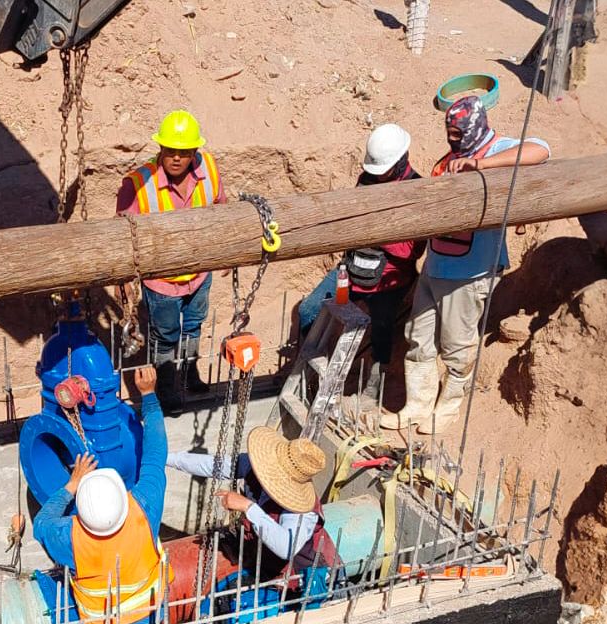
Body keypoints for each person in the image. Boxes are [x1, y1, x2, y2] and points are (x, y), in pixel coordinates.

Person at [380, 96, 551, 434]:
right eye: (450, 132)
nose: (453, 139)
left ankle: (449, 408)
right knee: (419, 338)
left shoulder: (496, 148)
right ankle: (417, 406)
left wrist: (482, 165)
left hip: (468, 272)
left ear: (476, 126)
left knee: (457, 343)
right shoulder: (450, 159)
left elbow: (541, 149)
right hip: (436, 266)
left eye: (458, 133)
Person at [33, 366, 169, 624]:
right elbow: (156, 454)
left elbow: (41, 523)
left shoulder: (71, 536)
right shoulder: (143, 508)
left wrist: (70, 485)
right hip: (152, 616)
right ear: (122, 495)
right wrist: (149, 397)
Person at [295, 124, 426, 398]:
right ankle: (304, 372)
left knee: (381, 323)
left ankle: (375, 380)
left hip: (390, 278)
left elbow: (410, 251)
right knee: (308, 310)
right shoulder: (366, 180)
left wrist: (372, 231)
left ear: (401, 160)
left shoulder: (416, 189)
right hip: (353, 267)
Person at [116, 110, 227, 416]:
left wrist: (227, 252)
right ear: (160, 149)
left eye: (185, 152)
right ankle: (166, 387)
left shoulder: (210, 170)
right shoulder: (137, 184)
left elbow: (222, 210)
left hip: (199, 273)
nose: (177, 158)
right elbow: (122, 238)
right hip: (162, 281)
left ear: (194, 151)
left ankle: (189, 373)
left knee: (193, 325)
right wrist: (124, 280)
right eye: (171, 152)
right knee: (165, 336)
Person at [167, 427, 340, 585]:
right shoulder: (255, 466)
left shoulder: (301, 512)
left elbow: (286, 547)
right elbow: (216, 465)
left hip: (304, 576)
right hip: (264, 558)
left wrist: (248, 507)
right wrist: (169, 459)